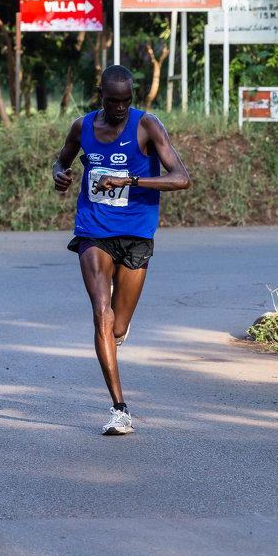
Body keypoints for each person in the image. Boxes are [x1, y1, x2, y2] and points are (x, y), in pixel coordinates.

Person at [52, 65, 190, 435]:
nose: (120, 109)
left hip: (136, 231)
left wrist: (130, 178)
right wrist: (59, 176)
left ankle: (114, 332)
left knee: (119, 325)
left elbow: (181, 178)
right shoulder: (82, 127)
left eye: (126, 101)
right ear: (101, 96)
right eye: (113, 102)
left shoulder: (147, 125)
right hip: (93, 229)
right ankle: (120, 409)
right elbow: (61, 161)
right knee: (102, 313)